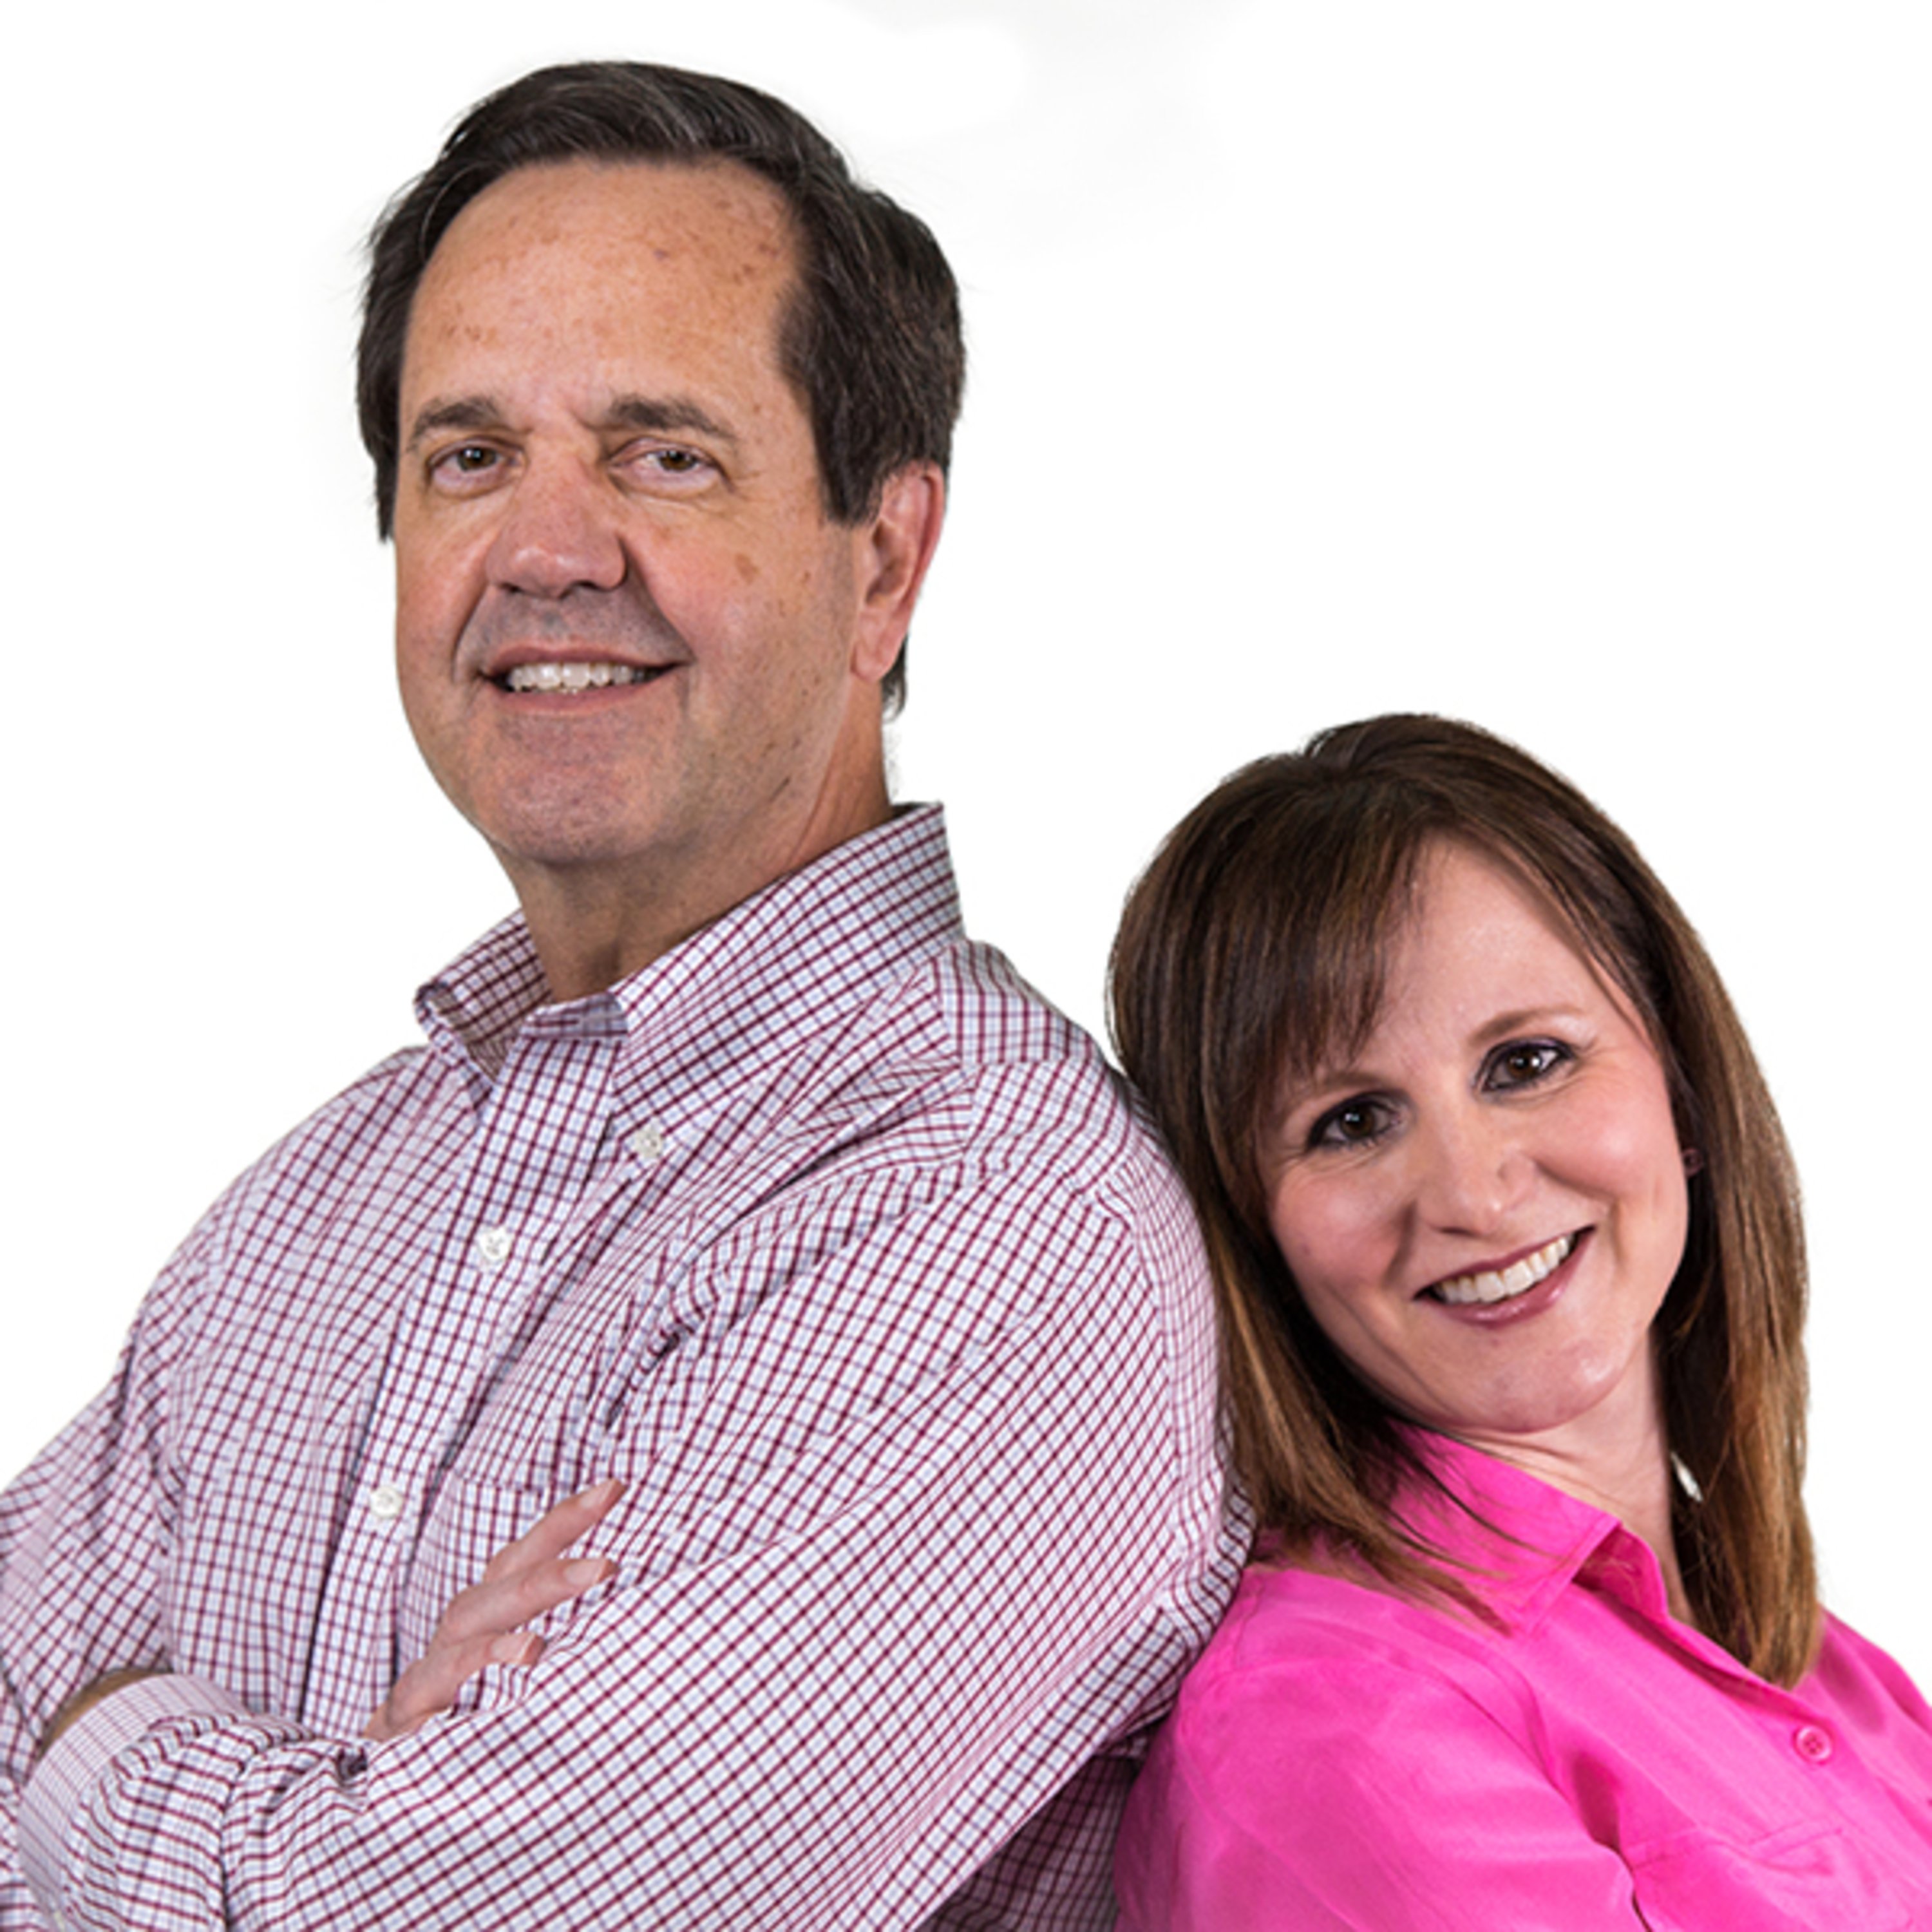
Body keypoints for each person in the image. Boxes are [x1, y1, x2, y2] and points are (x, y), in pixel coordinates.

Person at [0, 62, 1243, 1930]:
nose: (546, 551)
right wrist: (322, 1820)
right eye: (469, 457)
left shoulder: (988, 1224)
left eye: (665, 456)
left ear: (885, 561)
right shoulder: (312, 1214)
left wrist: (101, 1745)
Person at [1107, 713, 1932, 1927]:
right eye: (1350, 1122)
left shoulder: (1826, 1668)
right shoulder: (1337, 1723)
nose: (1476, 1194)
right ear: (1253, 1234)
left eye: (1528, 1062)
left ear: (1681, 1081)